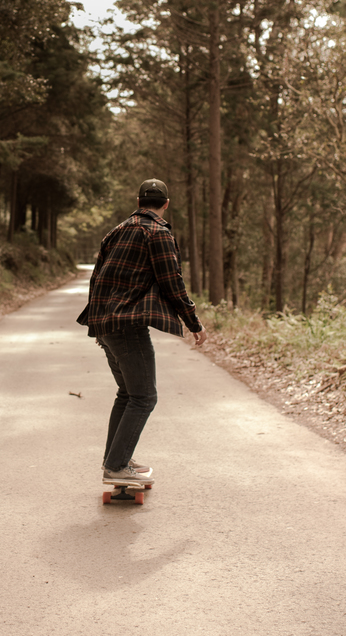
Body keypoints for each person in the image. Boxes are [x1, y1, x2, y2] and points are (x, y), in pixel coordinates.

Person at [76, 179, 207, 485]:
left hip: (106, 325)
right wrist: (194, 323)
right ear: (166, 203)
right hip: (128, 326)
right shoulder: (157, 232)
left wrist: (97, 325)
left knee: (128, 394)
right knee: (145, 397)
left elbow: (97, 280)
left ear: (138, 201)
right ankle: (117, 466)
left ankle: (116, 459)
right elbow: (172, 282)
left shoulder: (116, 231)